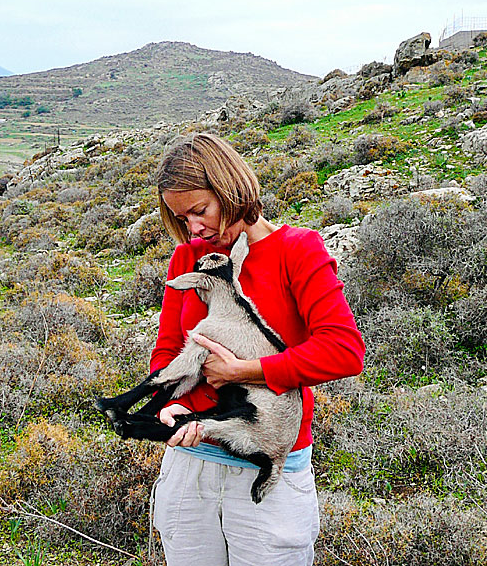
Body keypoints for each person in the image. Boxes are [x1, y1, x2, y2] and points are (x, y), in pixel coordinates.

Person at [148, 132, 365, 566]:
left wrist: (245, 370)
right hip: (190, 466)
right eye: (181, 218)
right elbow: (169, 349)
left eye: (200, 210)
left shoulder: (297, 250)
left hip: (269, 464)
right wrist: (165, 407)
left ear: (230, 188)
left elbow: (344, 349)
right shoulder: (187, 258)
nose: (194, 228)